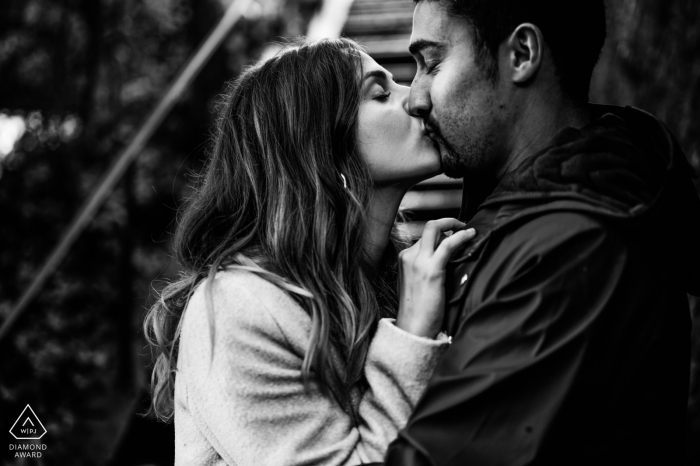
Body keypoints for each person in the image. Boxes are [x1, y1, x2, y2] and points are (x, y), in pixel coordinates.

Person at [383, 1, 700, 465]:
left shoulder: (567, 251)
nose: (415, 98)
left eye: (431, 63)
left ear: (522, 53)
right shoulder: (520, 209)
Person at [143, 38, 477, 466]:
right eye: (380, 94)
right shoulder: (238, 308)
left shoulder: (386, 280)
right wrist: (411, 335)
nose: (415, 98)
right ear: (319, 146)